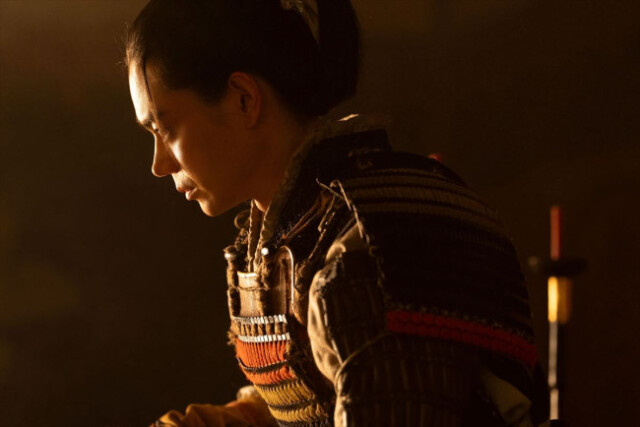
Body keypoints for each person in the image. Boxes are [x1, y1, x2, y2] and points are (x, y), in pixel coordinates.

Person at [125, 0, 549, 426]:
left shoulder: (366, 246)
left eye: (164, 129)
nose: (159, 164)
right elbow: (311, 400)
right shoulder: (295, 229)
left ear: (244, 99)